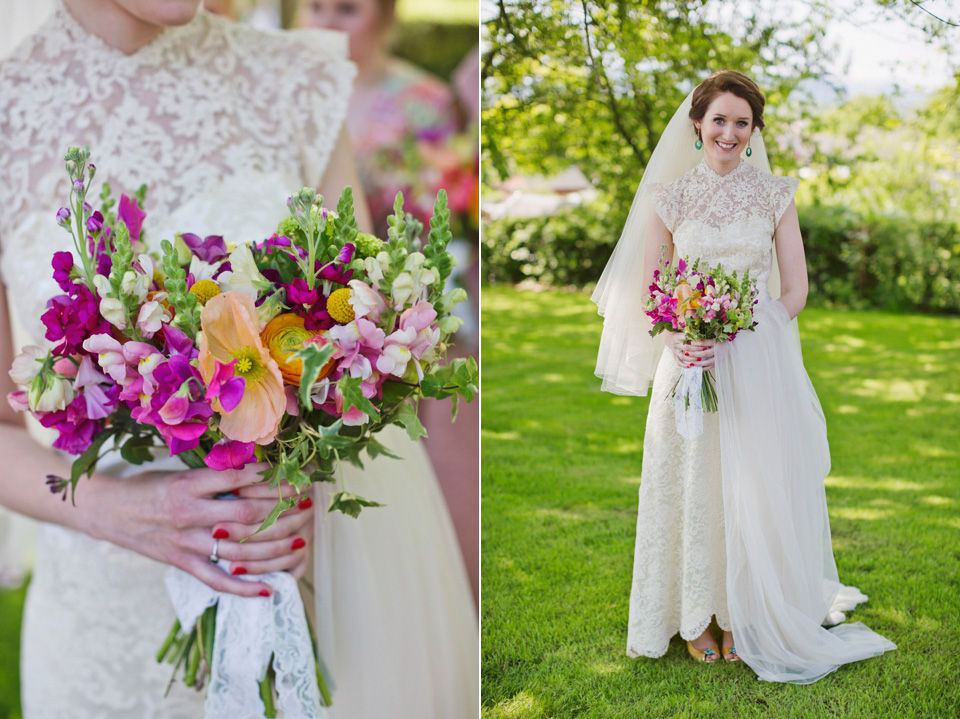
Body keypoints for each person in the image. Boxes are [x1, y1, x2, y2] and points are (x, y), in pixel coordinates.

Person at [0, 1, 477, 717]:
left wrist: (307, 463)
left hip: (305, 583)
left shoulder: (295, 80)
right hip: (102, 638)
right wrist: (115, 508)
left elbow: (365, 345)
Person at [592, 70, 896, 683]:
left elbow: (797, 288)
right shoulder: (669, 198)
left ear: (754, 130)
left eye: (742, 122)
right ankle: (694, 617)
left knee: (753, 486)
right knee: (694, 485)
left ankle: (741, 613)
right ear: (697, 124)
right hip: (690, 365)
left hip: (757, 363)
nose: (729, 132)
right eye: (719, 120)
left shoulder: (775, 195)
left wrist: (748, 333)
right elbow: (654, 289)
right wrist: (685, 336)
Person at [299, 0, 479, 602]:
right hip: (310, 295)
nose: (327, 23)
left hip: (394, 290)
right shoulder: (288, 91)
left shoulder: (419, 98)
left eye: (346, 10)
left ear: (383, 17)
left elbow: (444, 201)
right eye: (315, 8)